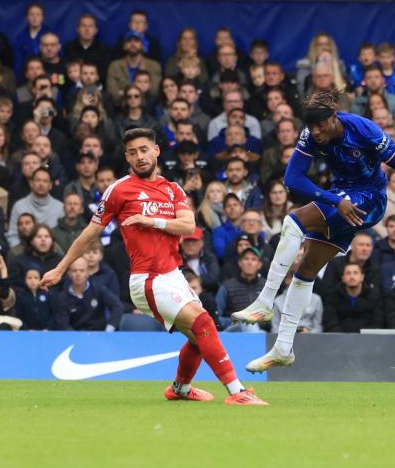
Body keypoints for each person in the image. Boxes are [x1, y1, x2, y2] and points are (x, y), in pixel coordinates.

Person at [41, 128, 267, 405]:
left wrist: (152, 221)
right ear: (127, 157)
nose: (140, 157)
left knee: (200, 336)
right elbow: (90, 233)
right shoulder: (119, 190)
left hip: (174, 276)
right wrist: (60, 268)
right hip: (147, 279)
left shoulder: (173, 189)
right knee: (204, 322)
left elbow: (188, 225)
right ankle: (237, 392)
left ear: (156, 151)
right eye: (133, 153)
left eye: (144, 150)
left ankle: (180, 388)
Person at [232, 90, 395, 372]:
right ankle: (283, 348)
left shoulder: (363, 129)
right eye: (311, 127)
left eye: (320, 126)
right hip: (340, 198)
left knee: (293, 221)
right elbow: (292, 178)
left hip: (370, 198)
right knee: (306, 270)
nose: (316, 132)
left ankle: (265, 300)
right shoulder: (309, 134)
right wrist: (334, 200)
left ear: (333, 118)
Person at [52, 257, 124, 331]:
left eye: (82, 270)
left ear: (88, 272)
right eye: (74, 271)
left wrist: (109, 329)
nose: (78, 274)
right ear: (69, 273)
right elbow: (63, 324)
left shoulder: (98, 289)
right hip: (76, 338)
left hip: (99, 336)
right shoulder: (63, 297)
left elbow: (117, 306)